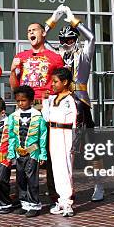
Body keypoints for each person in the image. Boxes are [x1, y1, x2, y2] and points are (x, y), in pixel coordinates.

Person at [44, 4, 102, 202]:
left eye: (70, 39)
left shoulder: (83, 54)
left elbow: (92, 38)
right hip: (62, 103)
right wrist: (53, 20)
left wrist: (73, 19)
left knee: (90, 145)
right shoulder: (58, 57)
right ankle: (67, 188)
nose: (66, 42)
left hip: (81, 101)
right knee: (64, 147)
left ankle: (99, 184)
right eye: (62, 40)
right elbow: (41, 40)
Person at [9, 22, 63, 202]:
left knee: (49, 147)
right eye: (28, 30)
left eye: (34, 30)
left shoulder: (54, 57)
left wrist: (53, 93)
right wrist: (12, 70)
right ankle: (22, 191)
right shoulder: (20, 56)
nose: (31, 32)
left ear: (43, 33)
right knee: (23, 148)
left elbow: (62, 82)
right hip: (25, 106)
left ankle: (54, 191)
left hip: (46, 105)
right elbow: (15, 86)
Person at [42, 68, 86, 217]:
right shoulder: (53, 99)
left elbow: (77, 123)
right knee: (56, 168)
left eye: (55, 81)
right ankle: (61, 200)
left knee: (66, 168)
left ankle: (67, 202)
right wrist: (44, 101)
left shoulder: (72, 100)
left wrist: (75, 143)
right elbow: (47, 118)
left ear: (65, 82)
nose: (52, 84)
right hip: (54, 135)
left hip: (66, 135)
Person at [8, 85, 48, 217]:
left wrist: (43, 154)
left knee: (32, 180)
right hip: (19, 153)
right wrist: (11, 152)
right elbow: (11, 136)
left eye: (23, 100)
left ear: (31, 101)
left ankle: (34, 205)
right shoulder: (13, 116)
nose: (20, 103)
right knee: (21, 179)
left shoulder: (38, 116)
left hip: (33, 153)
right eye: (18, 100)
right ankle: (24, 204)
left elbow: (43, 136)